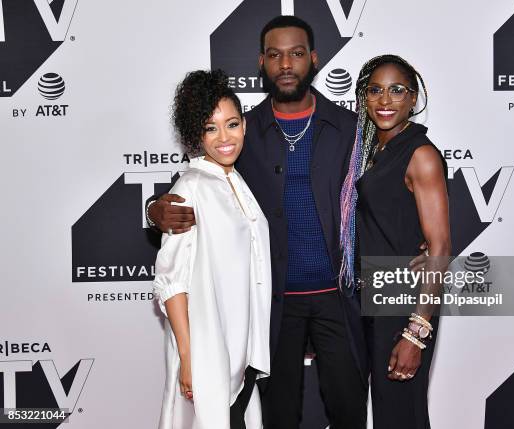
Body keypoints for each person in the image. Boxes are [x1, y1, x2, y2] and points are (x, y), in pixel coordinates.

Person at [148, 16, 368, 429]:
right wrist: (153, 209)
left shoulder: (349, 128)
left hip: (336, 298)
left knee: (349, 409)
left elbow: (379, 195)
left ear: (314, 59)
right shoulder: (243, 135)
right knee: (275, 415)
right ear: (261, 63)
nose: (286, 64)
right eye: (275, 55)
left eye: (296, 53)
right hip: (271, 307)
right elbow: (197, 183)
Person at [152, 70, 271, 429]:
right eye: (211, 128)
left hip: (243, 349)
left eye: (231, 124)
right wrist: (189, 357)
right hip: (210, 351)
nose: (224, 138)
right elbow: (172, 283)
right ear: (196, 134)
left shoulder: (235, 179)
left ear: (244, 126)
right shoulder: (190, 186)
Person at [339, 55, 451, 428]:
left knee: (401, 416)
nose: (385, 100)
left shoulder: (421, 155)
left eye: (396, 90)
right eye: (375, 90)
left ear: (413, 97)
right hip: (374, 297)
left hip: (403, 304)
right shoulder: (372, 151)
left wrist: (415, 334)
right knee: (389, 414)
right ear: (363, 98)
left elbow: (439, 248)